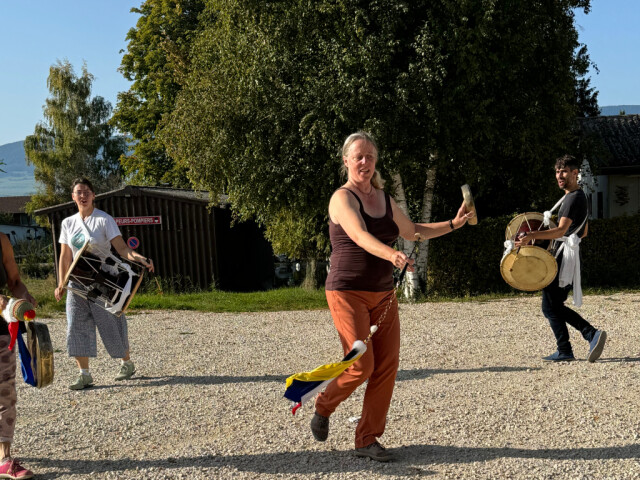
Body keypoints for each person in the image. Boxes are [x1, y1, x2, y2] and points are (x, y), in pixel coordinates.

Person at [310, 131, 474, 462]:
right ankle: (324, 406)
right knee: (360, 364)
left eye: (370, 156)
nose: (364, 162)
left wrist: (454, 224)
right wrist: (392, 255)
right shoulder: (342, 199)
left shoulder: (384, 198)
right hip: (347, 291)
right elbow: (358, 236)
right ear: (346, 161)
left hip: (383, 294)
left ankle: (366, 440)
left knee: (386, 366)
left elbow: (412, 230)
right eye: (358, 156)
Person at [54, 178, 154, 390]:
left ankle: (126, 363)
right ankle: (84, 374)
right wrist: (61, 283)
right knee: (75, 324)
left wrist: (139, 258)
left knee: (109, 323)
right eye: (79, 192)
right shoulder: (68, 223)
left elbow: (121, 248)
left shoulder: (104, 219)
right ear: (73, 196)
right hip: (77, 280)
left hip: (103, 280)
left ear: (93, 196)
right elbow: (64, 257)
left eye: (87, 192)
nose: (83, 195)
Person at [516, 154, 606, 363]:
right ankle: (571, 346)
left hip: (563, 257)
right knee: (554, 304)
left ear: (575, 173)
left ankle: (587, 336)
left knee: (550, 306)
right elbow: (582, 233)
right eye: (557, 171)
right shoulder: (578, 197)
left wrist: (532, 235)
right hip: (568, 255)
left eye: (564, 171)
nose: (560, 175)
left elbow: (561, 230)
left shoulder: (572, 197)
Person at [0, 232, 35, 479]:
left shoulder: (1, 240)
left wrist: (23, 295)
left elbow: (14, 282)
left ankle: (4, 458)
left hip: (1, 327)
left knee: (4, 390)